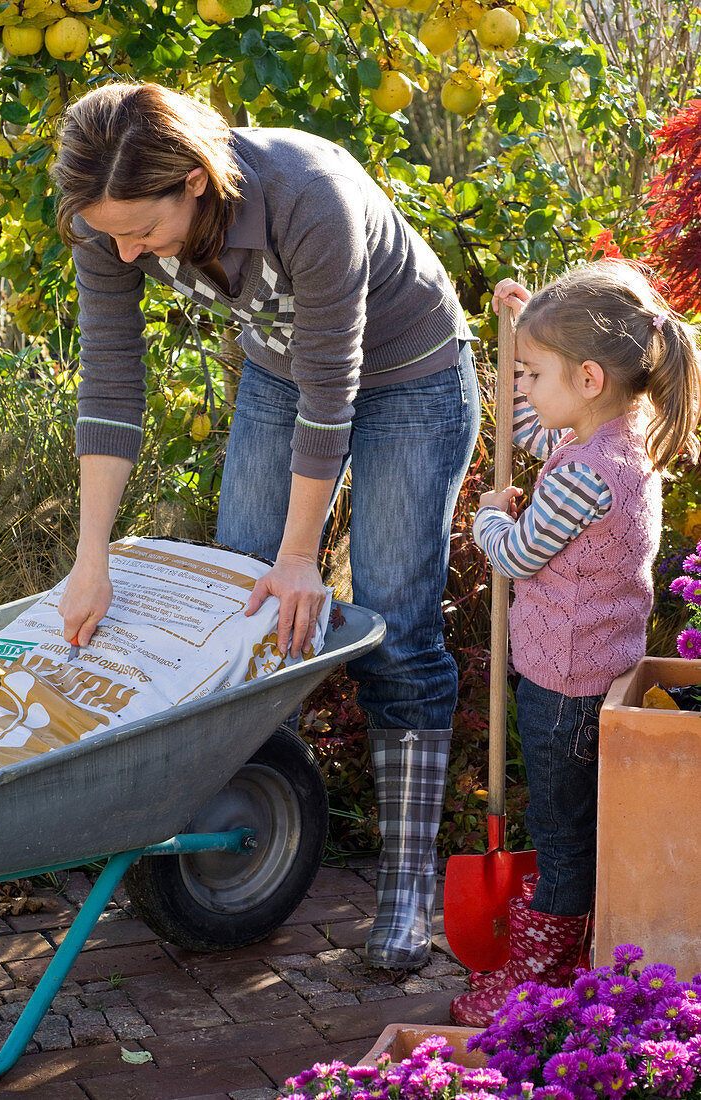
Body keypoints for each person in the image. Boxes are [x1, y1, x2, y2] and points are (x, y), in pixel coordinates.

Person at [50, 82, 481, 971]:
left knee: (396, 629)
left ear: (196, 184)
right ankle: (238, 841)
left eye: (143, 230)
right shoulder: (105, 223)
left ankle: (403, 893)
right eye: (111, 232)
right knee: (239, 617)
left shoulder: (307, 193)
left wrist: (301, 556)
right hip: (280, 378)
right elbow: (111, 386)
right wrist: (88, 559)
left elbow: (336, 388)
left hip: (413, 379)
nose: (125, 250)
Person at [450, 260, 701, 1026]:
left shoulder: (582, 477)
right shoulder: (625, 442)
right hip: (597, 672)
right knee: (575, 825)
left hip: (561, 687)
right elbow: (537, 425)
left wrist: (487, 517)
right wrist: (521, 326)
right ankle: (570, 940)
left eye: (531, 374)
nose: (521, 388)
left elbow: (520, 552)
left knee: (562, 840)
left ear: (587, 378)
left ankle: (544, 969)